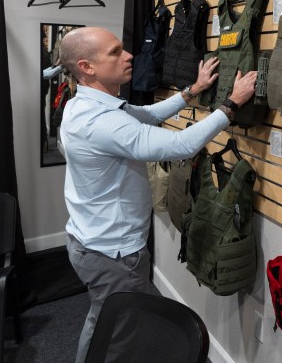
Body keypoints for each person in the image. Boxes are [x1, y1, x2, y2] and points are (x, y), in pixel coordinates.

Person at [58, 26, 257, 363]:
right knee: (119, 337)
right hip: (113, 255)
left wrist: (194, 90)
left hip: (90, 243)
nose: (129, 55)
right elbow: (182, 145)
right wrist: (231, 104)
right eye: (115, 52)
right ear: (87, 66)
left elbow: (146, 115)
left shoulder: (86, 105)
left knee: (102, 319)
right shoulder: (102, 122)